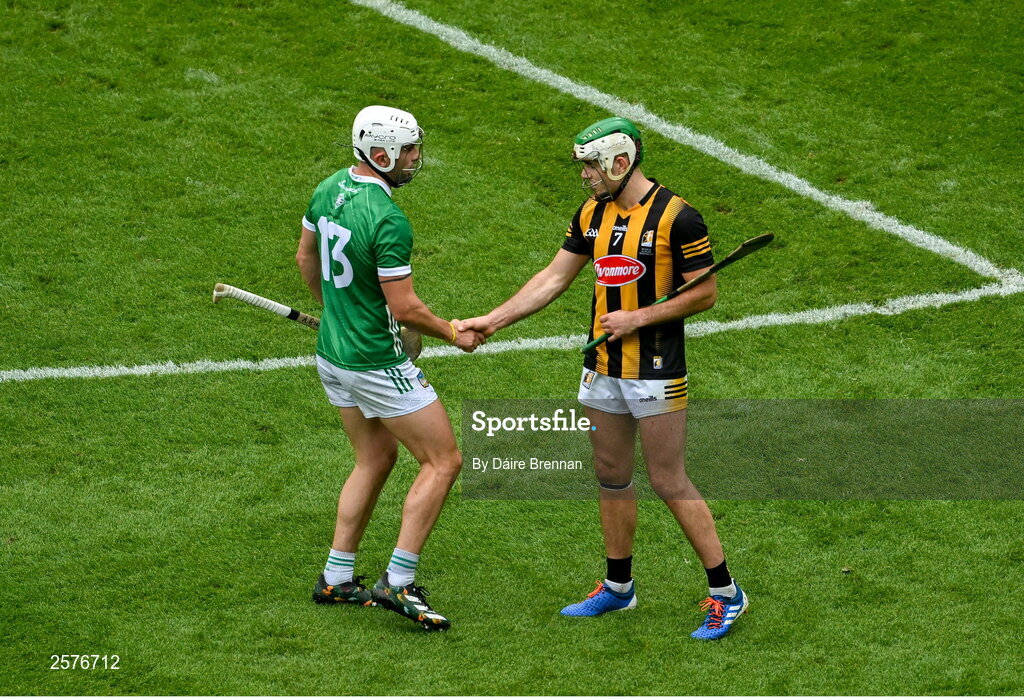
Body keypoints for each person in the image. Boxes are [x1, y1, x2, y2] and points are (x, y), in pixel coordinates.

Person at [459, 117, 748, 639]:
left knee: (667, 479)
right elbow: (553, 277)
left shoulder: (678, 218)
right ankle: (619, 588)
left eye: (592, 165)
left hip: (656, 368)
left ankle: (727, 592)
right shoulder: (591, 214)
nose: (586, 175)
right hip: (603, 368)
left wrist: (638, 318)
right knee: (611, 475)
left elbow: (704, 294)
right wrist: (492, 319)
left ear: (620, 161)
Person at [296, 105, 482, 631]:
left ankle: (336, 576)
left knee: (374, 457)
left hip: (333, 355)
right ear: (381, 154)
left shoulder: (329, 187)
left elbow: (306, 260)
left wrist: (336, 312)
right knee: (443, 460)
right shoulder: (387, 218)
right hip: (376, 363)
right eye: (410, 150)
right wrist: (453, 332)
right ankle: (397, 581)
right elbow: (404, 308)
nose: (416, 158)